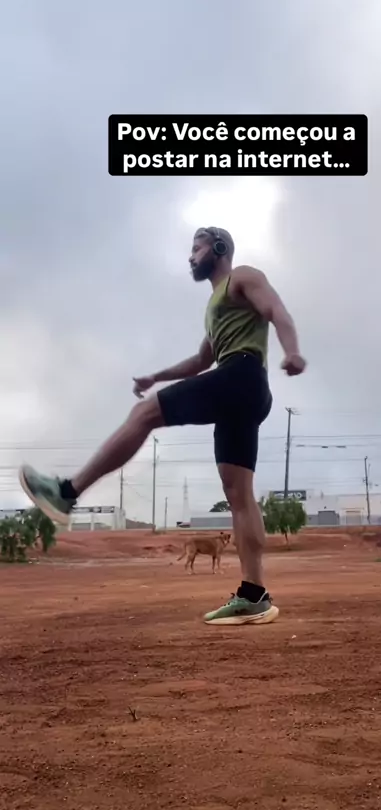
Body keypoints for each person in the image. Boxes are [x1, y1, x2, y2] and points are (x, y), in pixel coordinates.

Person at [19, 226, 306, 625]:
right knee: (239, 494)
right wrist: (157, 376)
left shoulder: (243, 277)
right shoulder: (215, 307)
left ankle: (66, 493)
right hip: (242, 387)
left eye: (197, 248)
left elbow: (276, 310)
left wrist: (292, 351)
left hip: (241, 374)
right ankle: (254, 594)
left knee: (144, 414)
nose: (190, 256)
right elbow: (200, 361)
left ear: (218, 248)